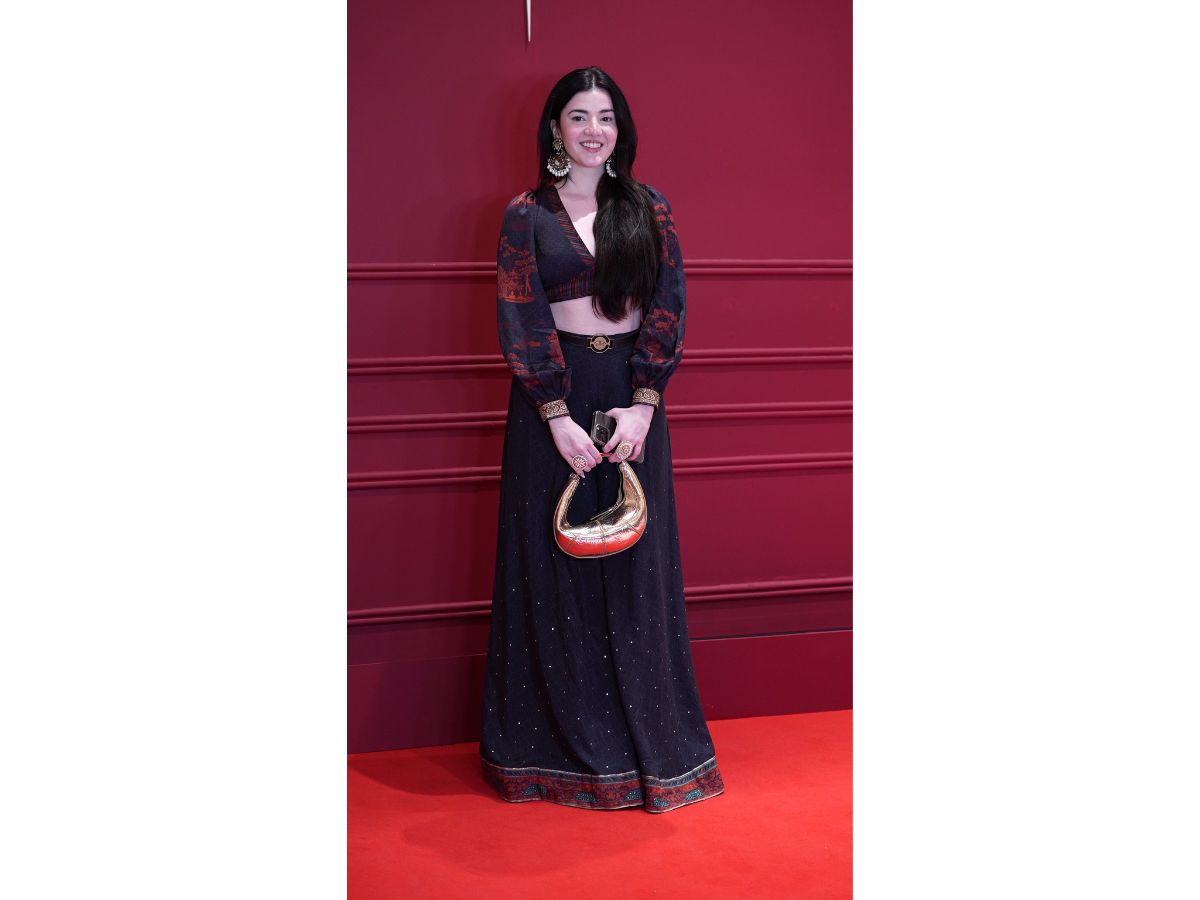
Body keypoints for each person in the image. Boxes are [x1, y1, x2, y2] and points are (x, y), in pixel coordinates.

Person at [479, 66, 725, 813]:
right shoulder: (526, 214)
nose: (594, 130)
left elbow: (668, 306)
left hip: (631, 397)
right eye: (580, 116)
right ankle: (556, 755)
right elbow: (520, 315)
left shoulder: (649, 209)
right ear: (556, 128)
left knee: (633, 569)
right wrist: (555, 413)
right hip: (548, 403)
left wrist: (644, 403)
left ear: (622, 130)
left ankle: (646, 748)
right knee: (552, 570)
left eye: (606, 117)